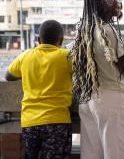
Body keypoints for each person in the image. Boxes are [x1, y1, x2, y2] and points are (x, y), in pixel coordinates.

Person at [70, 0, 124, 159]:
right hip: (111, 100)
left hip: (89, 99)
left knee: (92, 153)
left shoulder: (84, 29)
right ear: (98, 3)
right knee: (117, 152)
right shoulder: (108, 31)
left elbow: (103, 59)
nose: (117, 2)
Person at [5, 20, 73, 159]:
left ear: (38, 39)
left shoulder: (25, 56)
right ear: (61, 40)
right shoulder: (67, 56)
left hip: (30, 123)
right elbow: (84, 75)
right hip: (57, 122)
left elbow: (8, 76)